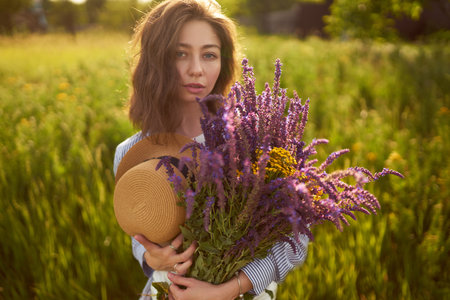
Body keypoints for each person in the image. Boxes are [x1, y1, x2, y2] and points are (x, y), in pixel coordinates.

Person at [113, 0, 309, 299]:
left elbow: (296, 241)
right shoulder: (132, 152)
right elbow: (139, 234)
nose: (196, 69)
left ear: (223, 61)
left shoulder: (254, 143)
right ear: (157, 59)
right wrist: (151, 257)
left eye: (209, 55)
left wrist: (229, 289)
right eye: (181, 53)